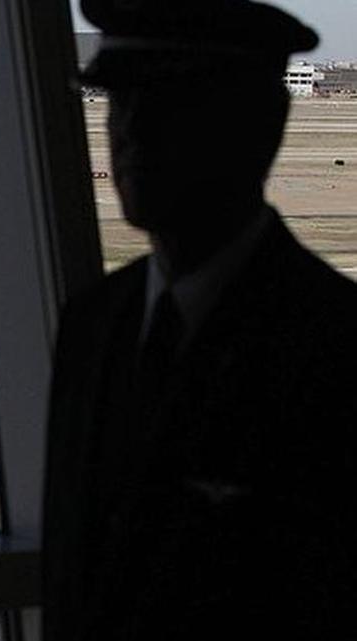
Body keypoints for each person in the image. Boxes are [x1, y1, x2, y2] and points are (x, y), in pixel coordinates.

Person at [43, 1, 357, 639]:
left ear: (257, 128)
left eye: (162, 104)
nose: (128, 132)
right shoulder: (94, 320)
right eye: (118, 103)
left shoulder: (335, 347)